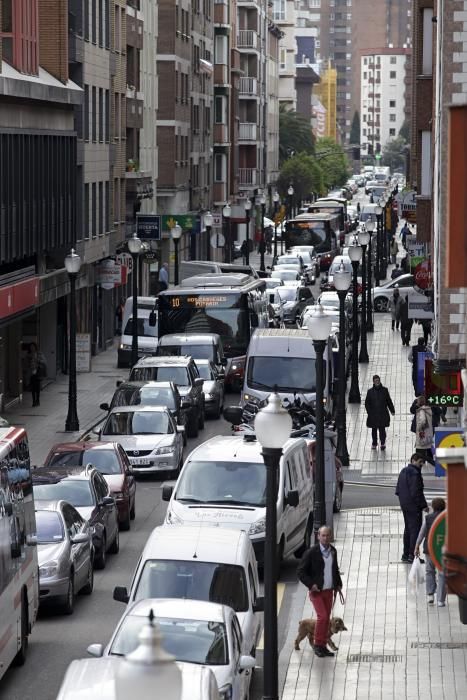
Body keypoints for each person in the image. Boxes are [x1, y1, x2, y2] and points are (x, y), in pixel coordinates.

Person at [297, 526, 343, 658]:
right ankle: (318, 645)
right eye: (323, 535)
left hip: (329, 590)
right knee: (322, 617)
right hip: (316, 592)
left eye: (328, 535)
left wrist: (338, 584)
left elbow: (335, 569)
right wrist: (311, 585)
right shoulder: (311, 553)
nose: (326, 538)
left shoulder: (333, 551)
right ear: (318, 536)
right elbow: (300, 572)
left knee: (326, 619)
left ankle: (322, 646)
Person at [395, 454, 428, 563]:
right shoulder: (415, 473)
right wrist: (423, 505)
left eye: (422, 463)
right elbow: (416, 492)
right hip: (414, 506)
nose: (421, 465)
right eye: (420, 462)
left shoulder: (403, 471)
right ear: (413, 460)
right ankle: (412, 555)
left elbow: (398, 490)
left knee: (408, 529)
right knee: (415, 530)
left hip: (405, 504)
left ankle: (405, 554)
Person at [415, 498, 447, 606]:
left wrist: (417, 546)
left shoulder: (428, 518)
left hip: (429, 549)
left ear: (433, 507)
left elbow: (422, 533)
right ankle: (441, 600)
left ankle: (430, 595)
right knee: (442, 573)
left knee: (429, 571)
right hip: (443, 551)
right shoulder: (447, 518)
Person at [364, 375, 395, 450]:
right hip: (373, 414)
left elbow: (388, 401)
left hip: (382, 413)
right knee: (374, 430)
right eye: (375, 381)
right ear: (373, 382)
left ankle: (383, 443)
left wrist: (392, 410)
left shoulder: (385, 390)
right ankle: (374, 443)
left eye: (378, 380)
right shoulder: (370, 392)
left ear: (379, 381)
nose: (377, 382)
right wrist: (369, 412)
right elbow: (367, 403)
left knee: (382, 430)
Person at [412, 395, 435, 466]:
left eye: (418, 401)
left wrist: (419, 428)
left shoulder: (421, 410)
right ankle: (429, 463)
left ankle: (432, 463)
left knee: (419, 453)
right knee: (425, 451)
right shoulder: (428, 409)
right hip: (427, 434)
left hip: (422, 435)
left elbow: (422, 421)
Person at [28, 342, 46, 407]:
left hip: (38, 373)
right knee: (32, 388)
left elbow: (44, 361)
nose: (32, 348)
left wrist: (37, 360)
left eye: (33, 347)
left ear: (35, 347)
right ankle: (33, 401)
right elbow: (25, 363)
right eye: (31, 347)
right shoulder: (28, 355)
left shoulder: (39, 354)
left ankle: (37, 400)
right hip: (31, 373)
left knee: (37, 388)